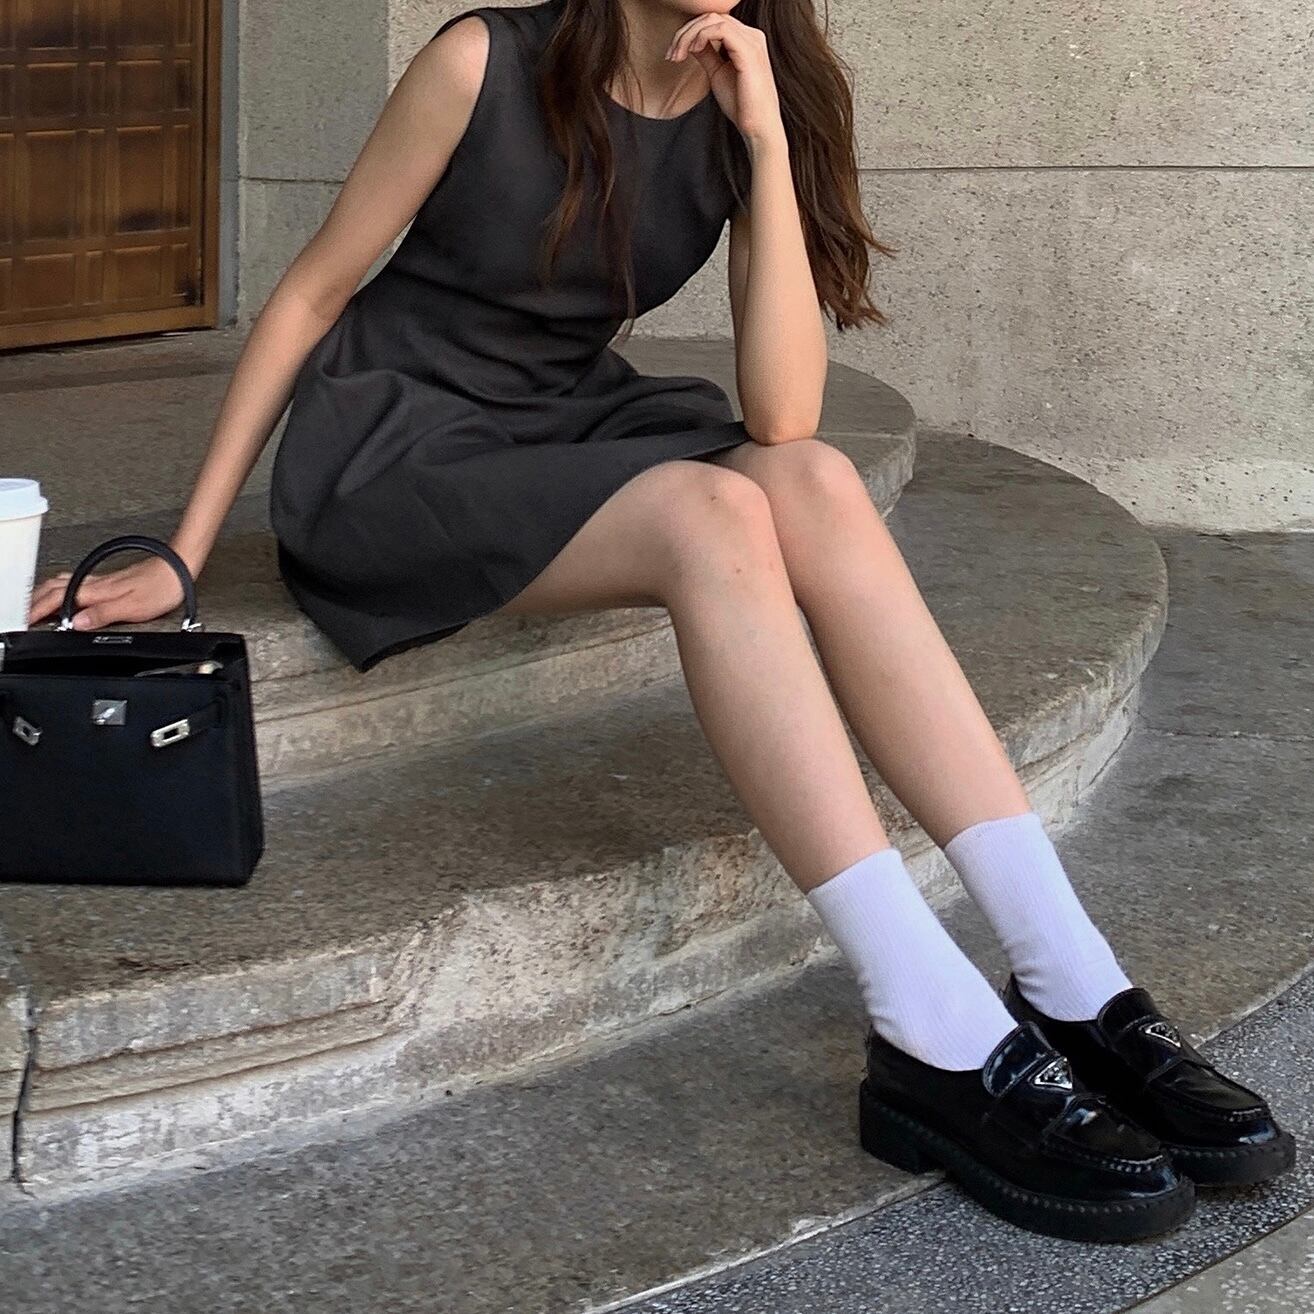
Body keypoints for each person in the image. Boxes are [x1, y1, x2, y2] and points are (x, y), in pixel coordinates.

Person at [26, 0, 1292, 1242]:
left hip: (563, 419)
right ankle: (927, 1019)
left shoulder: (755, 92)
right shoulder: (482, 59)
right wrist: (187, 547)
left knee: (810, 480)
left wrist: (766, 143)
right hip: (398, 447)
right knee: (713, 516)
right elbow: (312, 293)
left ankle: (1070, 975)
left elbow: (784, 414)